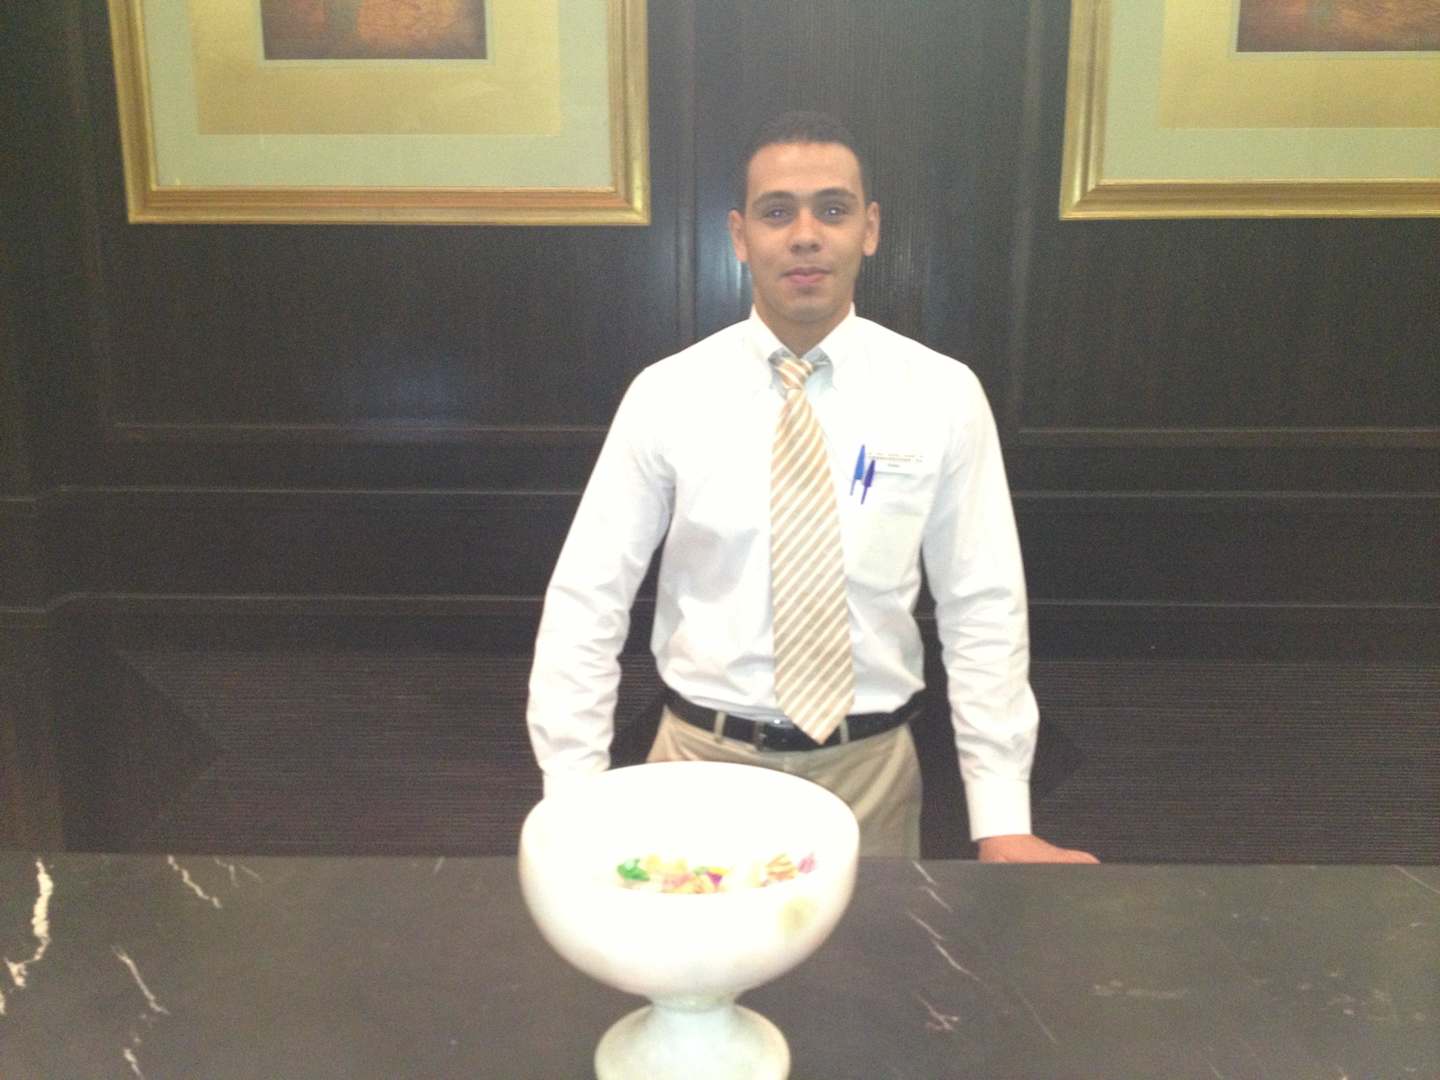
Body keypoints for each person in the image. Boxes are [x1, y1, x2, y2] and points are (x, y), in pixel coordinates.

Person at [526, 111, 1097, 863]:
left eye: (832, 209)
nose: (804, 235)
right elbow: (588, 599)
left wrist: (1002, 819)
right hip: (698, 771)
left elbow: (983, 605)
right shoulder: (666, 395)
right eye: (776, 212)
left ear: (870, 228)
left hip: (872, 777)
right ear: (740, 236)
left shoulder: (943, 394)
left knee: (873, 948)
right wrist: (572, 797)